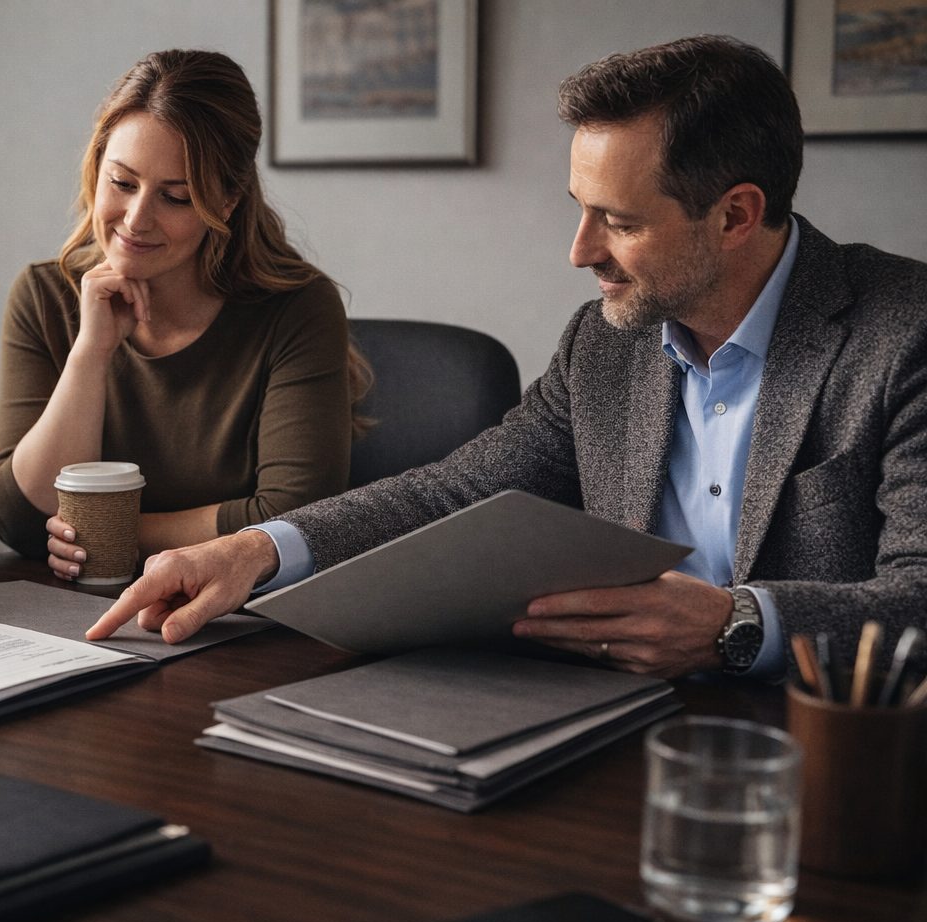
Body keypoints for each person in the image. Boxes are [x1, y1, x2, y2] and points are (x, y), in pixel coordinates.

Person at [90, 35, 927, 681]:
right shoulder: (604, 344)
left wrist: (737, 624)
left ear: (737, 215)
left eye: (620, 222)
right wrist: (260, 549)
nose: (579, 251)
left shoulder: (903, 337)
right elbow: (458, 491)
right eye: (579, 210)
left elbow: (917, 600)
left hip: (832, 754)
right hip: (603, 720)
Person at [0, 49, 368, 578]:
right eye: (121, 183)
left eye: (176, 197)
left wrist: (107, 530)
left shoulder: (298, 310)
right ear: (96, 169)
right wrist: (90, 356)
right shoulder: (44, 296)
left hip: (241, 618)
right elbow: (19, 519)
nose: (136, 219)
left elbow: (292, 518)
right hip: (73, 618)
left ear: (226, 202)